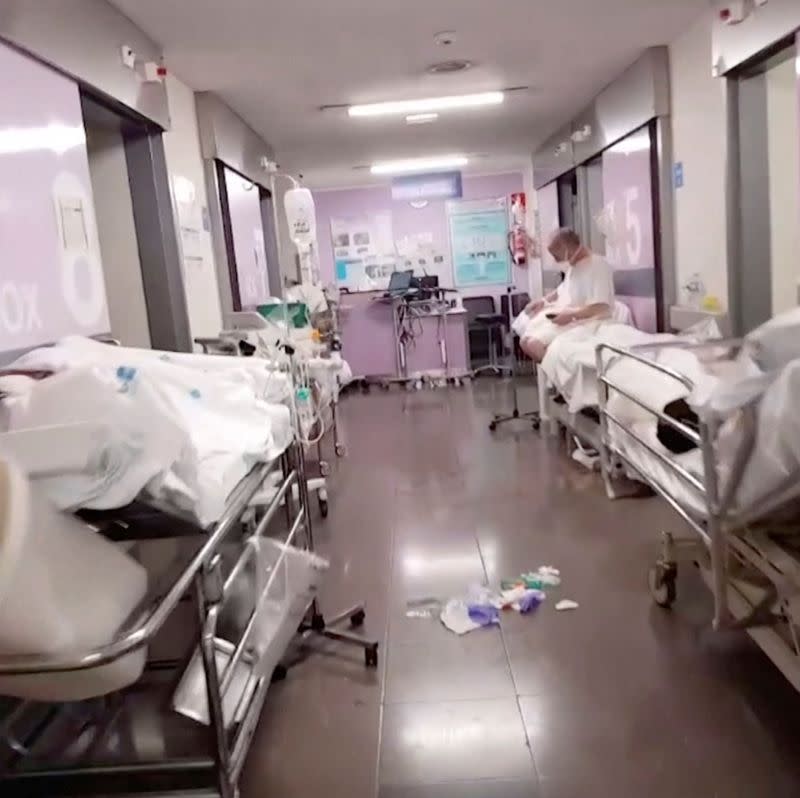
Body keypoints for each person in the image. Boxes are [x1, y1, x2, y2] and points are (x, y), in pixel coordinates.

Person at [518, 228, 615, 362]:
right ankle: (553, 374)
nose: (556, 261)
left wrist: (572, 315)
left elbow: (601, 307)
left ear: (566, 248)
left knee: (534, 345)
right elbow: (562, 289)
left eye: (556, 256)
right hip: (571, 319)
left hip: (589, 322)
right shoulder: (574, 267)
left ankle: (558, 378)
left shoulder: (597, 266)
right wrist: (543, 301)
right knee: (524, 341)